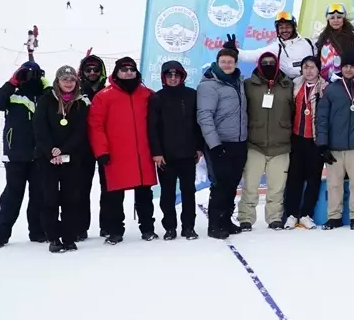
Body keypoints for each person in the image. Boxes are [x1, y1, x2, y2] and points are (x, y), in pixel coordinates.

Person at [88, 57, 159, 244]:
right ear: (116, 72)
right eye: (124, 69)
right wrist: (101, 151)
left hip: (142, 154)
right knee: (114, 196)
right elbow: (96, 126)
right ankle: (115, 231)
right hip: (116, 155)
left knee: (145, 195)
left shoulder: (148, 95)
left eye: (131, 69)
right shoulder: (103, 96)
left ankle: (148, 229)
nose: (128, 73)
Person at [0, 62, 48, 248]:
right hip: (16, 155)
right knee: (12, 196)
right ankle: (0, 235)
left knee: (39, 196)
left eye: (34, 74)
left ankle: (37, 232)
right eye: (26, 74)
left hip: (40, 155)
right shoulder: (12, 94)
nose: (30, 78)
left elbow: (58, 100)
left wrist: (44, 82)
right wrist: (12, 82)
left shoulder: (45, 94)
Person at [33, 65, 90, 253]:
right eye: (64, 79)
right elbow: (40, 129)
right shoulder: (46, 100)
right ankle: (53, 237)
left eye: (72, 80)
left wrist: (63, 150)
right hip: (47, 159)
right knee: (49, 199)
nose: (68, 83)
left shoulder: (80, 103)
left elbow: (80, 132)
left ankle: (69, 237)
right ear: (57, 81)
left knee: (71, 199)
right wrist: (51, 152)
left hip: (71, 158)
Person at [236, 52, 294, 230]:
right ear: (259, 65)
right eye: (265, 63)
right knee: (250, 185)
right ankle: (246, 217)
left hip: (281, 145)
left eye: (272, 63)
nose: (268, 65)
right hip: (255, 144)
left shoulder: (288, 85)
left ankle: (275, 218)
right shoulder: (248, 85)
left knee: (276, 187)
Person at [148, 61, 204, 240]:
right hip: (165, 156)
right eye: (169, 75)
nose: (173, 79)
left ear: (182, 77)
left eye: (176, 75)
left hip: (188, 154)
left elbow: (199, 123)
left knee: (189, 192)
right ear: (164, 77)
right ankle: (170, 227)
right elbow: (152, 128)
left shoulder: (192, 95)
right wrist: (156, 152)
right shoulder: (156, 98)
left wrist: (199, 147)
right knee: (167, 194)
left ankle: (189, 227)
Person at [197, 43, 248, 239]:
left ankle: (226, 219)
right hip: (219, 143)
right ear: (217, 63)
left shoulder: (239, 82)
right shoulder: (209, 85)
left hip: (239, 141)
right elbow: (204, 116)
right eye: (223, 61)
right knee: (220, 184)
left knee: (232, 183)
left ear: (236, 63)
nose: (227, 65)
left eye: (230, 61)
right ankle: (215, 224)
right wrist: (214, 144)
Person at [316, 50, 354, 230]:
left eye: (352, 66)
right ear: (341, 67)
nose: (348, 69)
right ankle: (334, 217)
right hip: (334, 146)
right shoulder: (331, 89)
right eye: (345, 66)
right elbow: (321, 117)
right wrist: (322, 144)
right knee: (334, 183)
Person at [283, 56, 326, 229]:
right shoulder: (294, 85)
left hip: (315, 140)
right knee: (294, 178)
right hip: (297, 138)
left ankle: (307, 214)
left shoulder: (325, 88)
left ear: (318, 70)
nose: (309, 71)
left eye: (312, 67)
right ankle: (291, 214)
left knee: (314, 178)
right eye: (305, 67)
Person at [76, 54, 108, 239]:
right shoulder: (76, 92)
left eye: (96, 69)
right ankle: (80, 227)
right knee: (80, 188)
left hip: (105, 145)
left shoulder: (109, 91)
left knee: (108, 188)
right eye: (88, 70)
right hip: (82, 146)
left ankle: (107, 225)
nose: (92, 73)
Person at [239, 11, 317, 79]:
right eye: (281, 27)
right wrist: (234, 51)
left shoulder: (308, 43)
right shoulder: (276, 47)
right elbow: (252, 56)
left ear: (294, 27)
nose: (284, 30)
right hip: (290, 87)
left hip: (312, 85)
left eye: (287, 27)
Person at [316, 3, 354, 80]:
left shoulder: (352, 37)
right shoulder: (323, 37)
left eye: (339, 17)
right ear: (328, 20)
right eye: (332, 18)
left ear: (344, 19)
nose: (336, 20)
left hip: (343, 79)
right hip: (324, 80)